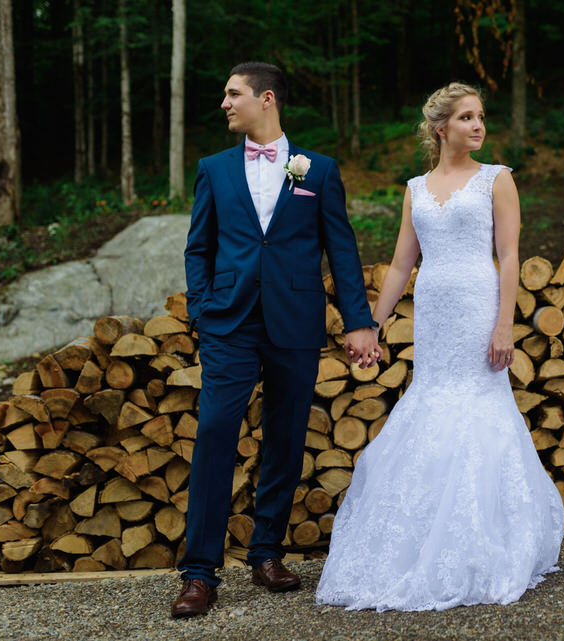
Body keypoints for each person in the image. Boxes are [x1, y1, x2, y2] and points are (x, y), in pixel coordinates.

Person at [315, 82, 564, 612]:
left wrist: (505, 325)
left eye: (481, 117)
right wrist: (372, 324)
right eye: (467, 118)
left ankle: (486, 540)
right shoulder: (416, 187)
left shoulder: (497, 180)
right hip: (433, 315)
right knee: (431, 400)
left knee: (480, 407)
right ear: (440, 127)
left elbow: (510, 255)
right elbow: (403, 264)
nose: (479, 125)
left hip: (478, 308)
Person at [173, 61, 381, 619]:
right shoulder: (213, 169)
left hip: (294, 320)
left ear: (266, 99)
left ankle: (267, 552)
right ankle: (199, 573)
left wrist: (358, 321)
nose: (224, 103)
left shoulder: (317, 171)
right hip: (230, 323)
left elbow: (341, 248)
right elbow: (199, 248)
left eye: (232, 93)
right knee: (216, 432)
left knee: (286, 437)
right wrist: (202, 312)